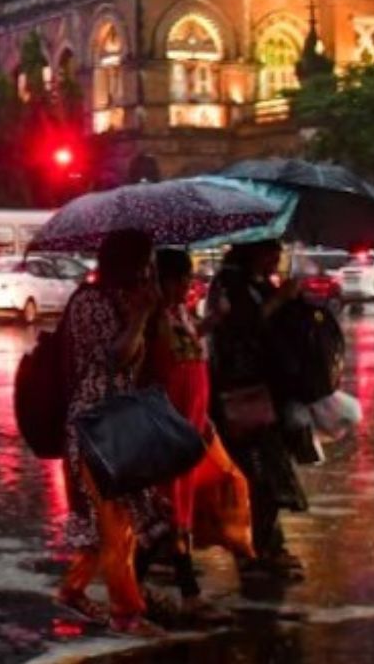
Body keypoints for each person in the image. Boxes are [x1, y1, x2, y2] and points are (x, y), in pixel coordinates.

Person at [55, 228, 162, 636]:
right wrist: (139, 317)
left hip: (120, 418)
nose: (150, 268)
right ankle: (126, 614)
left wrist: (148, 312)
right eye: (146, 260)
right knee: (115, 520)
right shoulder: (90, 302)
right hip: (97, 422)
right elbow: (113, 358)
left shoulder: (123, 299)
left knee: (115, 522)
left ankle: (73, 590)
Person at [207, 240, 309, 584]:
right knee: (256, 476)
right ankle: (252, 551)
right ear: (254, 251)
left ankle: (268, 546)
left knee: (270, 476)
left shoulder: (256, 284)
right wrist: (279, 300)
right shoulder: (230, 285)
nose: (276, 259)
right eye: (271, 252)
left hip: (267, 392)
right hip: (240, 395)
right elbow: (241, 328)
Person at [141, 248, 235, 621]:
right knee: (169, 516)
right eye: (179, 279)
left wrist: (212, 322)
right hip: (166, 433)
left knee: (176, 514)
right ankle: (179, 594)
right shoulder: (151, 318)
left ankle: (136, 587)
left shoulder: (178, 313)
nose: (186, 286)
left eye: (188, 278)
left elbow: (190, 348)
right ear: (160, 280)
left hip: (189, 432)